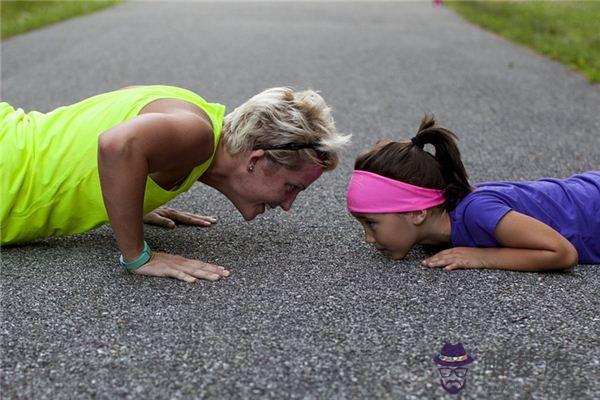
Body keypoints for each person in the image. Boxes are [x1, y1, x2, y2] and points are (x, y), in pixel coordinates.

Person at [1, 85, 350, 281]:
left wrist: (128, 196)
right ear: (256, 160)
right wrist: (138, 256)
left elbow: (104, 119)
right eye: (292, 188)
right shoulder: (197, 136)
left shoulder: (194, 113)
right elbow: (117, 144)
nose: (288, 205)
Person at [346, 115, 599, 272]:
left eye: (372, 223)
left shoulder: (477, 212)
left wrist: (482, 257)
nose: (368, 238)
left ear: (418, 212)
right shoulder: (437, 228)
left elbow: (562, 253)